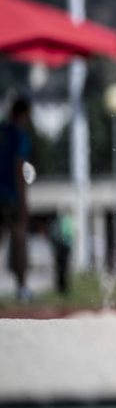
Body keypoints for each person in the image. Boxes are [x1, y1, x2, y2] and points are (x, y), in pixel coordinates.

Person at [1, 97, 33, 301]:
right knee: (19, 239)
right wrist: (23, 201)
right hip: (11, 196)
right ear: (22, 114)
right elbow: (19, 168)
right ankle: (22, 288)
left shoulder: (1, 133)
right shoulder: (20, 136)